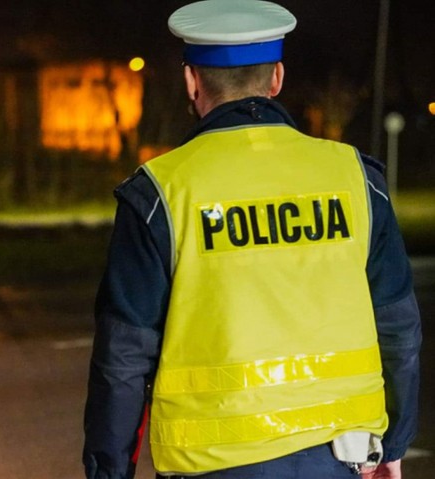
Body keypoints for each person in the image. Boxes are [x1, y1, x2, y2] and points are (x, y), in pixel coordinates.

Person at [83, 1, 421, 478]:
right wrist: (393, 443)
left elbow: (122, 358)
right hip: (341, 460)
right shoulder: (356, 179)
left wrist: (108, 470)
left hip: (211, 467)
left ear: (191, 82)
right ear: (277, 78)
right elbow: (399, 329)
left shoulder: (160, 192)